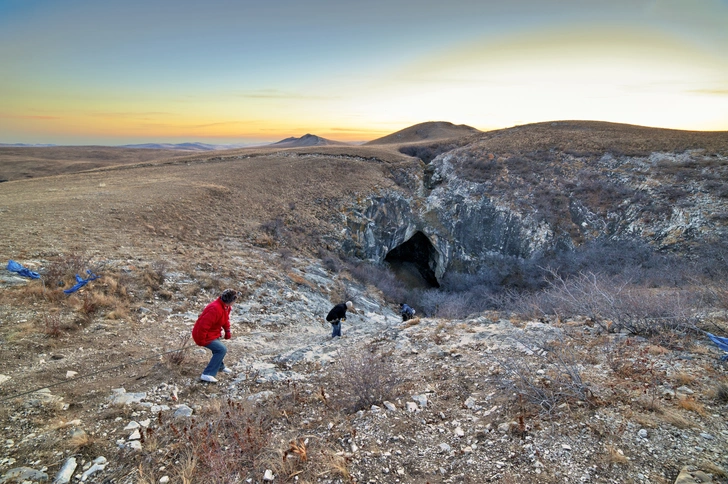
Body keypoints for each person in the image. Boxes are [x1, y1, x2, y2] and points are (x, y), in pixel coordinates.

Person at [192, 289, 239, 383]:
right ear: (230, 301)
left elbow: (225, 320)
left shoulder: (226, 307)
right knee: (221, 349)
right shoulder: (214, 309)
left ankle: (220, 366)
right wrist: (201, 340)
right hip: (203, 335)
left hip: (213, 333)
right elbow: (203, 326)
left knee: (218, 349)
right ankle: (207, 374)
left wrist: (227, 331)